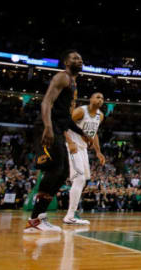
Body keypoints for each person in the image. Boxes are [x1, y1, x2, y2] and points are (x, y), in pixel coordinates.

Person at [25, 50, 87, 233]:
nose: (79, 60)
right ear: (66, 62)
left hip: (58, 128)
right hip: (48, 128)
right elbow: (46, 103)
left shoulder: (73, 83)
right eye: (75, 58)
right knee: (56, 170)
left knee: (63, 173)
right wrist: (48, 127)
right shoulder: (62, 77)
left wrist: (83, 133)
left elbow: (66, 118)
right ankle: (35, 219)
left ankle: (38, 218)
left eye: (81, 58)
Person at [63, 93, 107, 225]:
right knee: (79, 178)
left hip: (83, 149)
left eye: (102, 98)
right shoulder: (80, 111)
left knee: (84, 180)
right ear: (91, 99)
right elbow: (64, 125)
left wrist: (98, 152)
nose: (100, 100)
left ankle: (72, 213)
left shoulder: (100, 116)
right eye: (97, 97)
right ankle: (70, 216)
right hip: (73, 146)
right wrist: (70, 142)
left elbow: (94, 134)